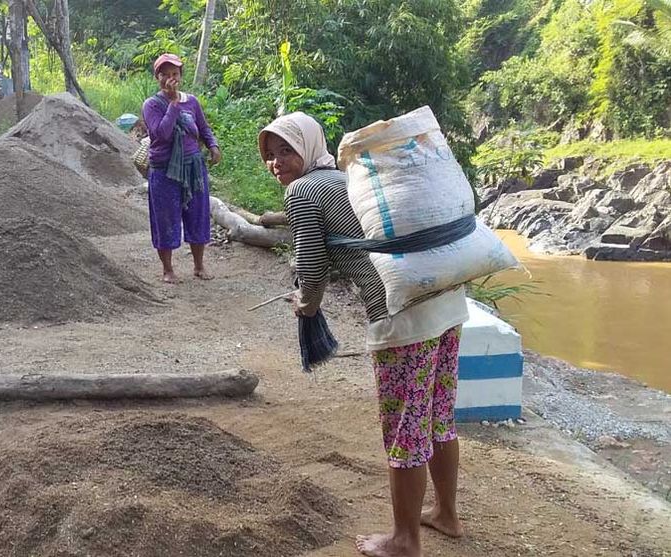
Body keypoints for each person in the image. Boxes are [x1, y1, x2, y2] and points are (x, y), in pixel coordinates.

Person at [259, 112, 469, 557]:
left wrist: (307, 306)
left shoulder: (304, 191)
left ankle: (404, 539)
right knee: (437, 415)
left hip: (403, 315)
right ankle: (446, 514)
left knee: (405, 426)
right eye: (270, 155)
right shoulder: (348, 179)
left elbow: (311, 270)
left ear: (309, 148)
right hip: (447, 300)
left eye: (286, 151)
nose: (278, 163)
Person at [141, 53, 222, 283]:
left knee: (198, 215)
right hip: (165, 170)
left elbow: (204, 129)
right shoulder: (152, 105)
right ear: (157, 78)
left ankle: (199, 266)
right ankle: (167, 270)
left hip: (194, 167)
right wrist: (174, 104)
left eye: (174, 73)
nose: (170, 78)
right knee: (165, 219)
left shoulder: (193, 102)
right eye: (165, 74)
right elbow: (162, 134)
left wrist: (213, 146)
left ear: (180, 76)